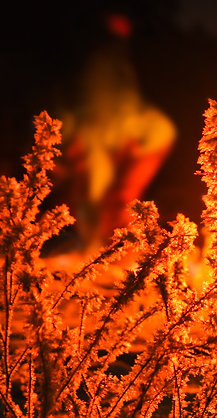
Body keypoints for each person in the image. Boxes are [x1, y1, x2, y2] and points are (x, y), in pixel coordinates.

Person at [58, 13, 175, 252]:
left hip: (131, 130)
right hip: (97, 132)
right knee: (95, 190)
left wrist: (135, 137)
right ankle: (94, 250)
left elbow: (128, 104)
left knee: (120, 196)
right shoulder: (90, 63)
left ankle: (117, 248)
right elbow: (67, 103)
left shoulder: (117, 64)